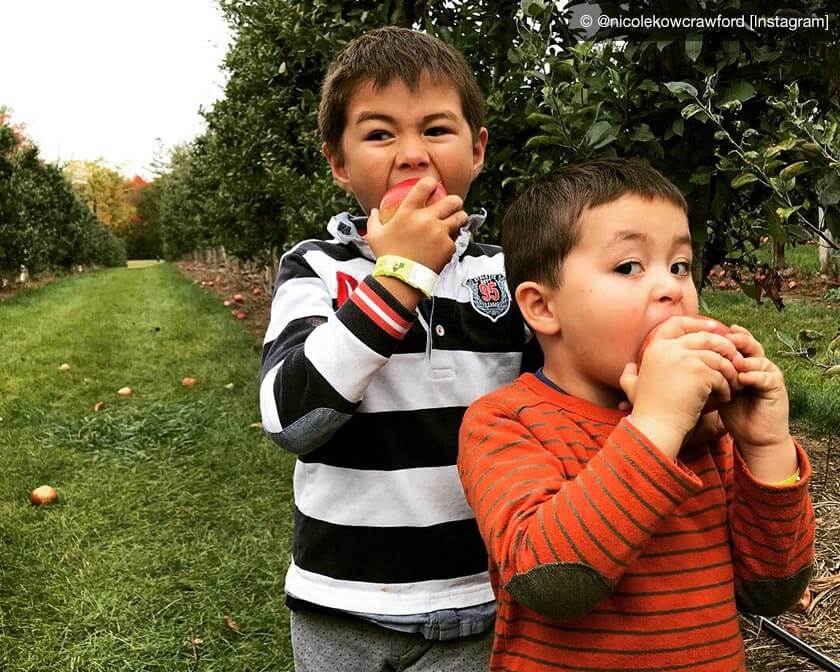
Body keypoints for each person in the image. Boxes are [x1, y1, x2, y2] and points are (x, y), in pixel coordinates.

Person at [458, 158, 815, 672]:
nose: (671, 288)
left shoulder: (709, 434)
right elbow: (553, 583)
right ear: (542, 307)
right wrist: (657, 426)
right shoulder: (506, 422)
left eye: (681, 266)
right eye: (629, 266)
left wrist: (764, 449)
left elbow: (771, 590)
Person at [258, 26, 534, 670]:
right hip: (343, 603)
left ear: (478, 148)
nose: (412, 154)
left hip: (486, 597)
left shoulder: (511, 275)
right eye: (380, 134)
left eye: (436, 130)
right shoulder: (317, 271)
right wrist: (399, 277)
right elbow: (290, 419)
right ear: (338, 161)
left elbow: (559, 409)